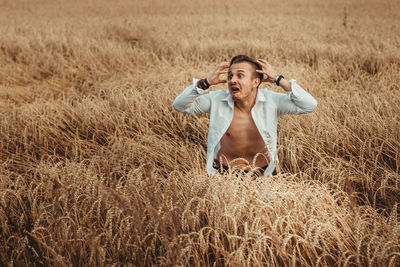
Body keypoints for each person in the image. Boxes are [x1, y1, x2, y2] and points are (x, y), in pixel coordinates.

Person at [172, 55, 317, 177]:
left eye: (240, 75)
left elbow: (309, 105)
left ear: (255, 82)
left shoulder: (272, 101)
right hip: (224, 174)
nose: (232, 80)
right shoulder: (216, 100)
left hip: (263, 174)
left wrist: (278, 79)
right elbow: (179, 105)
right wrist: (206, 82)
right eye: (230, 76)